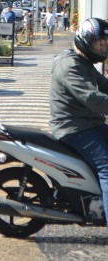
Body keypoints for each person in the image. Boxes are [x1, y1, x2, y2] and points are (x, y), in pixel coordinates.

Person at [50, 18, 108, 225]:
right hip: (74, 127)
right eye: (98, 43)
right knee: (106, 167)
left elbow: (104, 85)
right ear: (85, 40)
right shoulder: (70, 65)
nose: (102, 47)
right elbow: (93, 98)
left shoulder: (83, 62)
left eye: (104, 43)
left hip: (89, 123)